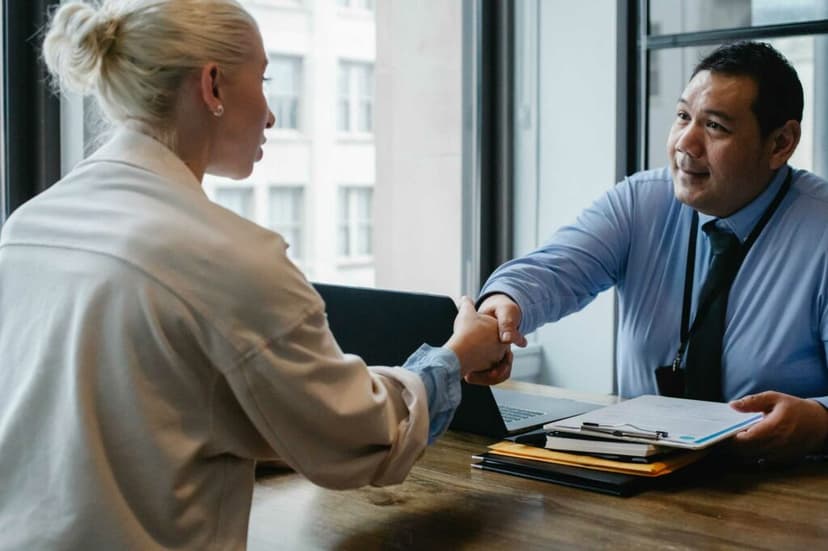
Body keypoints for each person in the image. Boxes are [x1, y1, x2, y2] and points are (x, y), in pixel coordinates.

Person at [0, 1, 511, 549]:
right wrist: (457, 357)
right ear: (213, 86)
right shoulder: (229, 257)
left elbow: (135, 420)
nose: (271, 114)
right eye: (264, 80)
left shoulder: (26, 227)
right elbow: (360, 437)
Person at [478, 41, 828, 462]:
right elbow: (553, 271)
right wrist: (503, 306)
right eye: (683, 117)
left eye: (715, 126)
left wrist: (820, 420)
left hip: (785, 493)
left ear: (780, 143)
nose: (686, 144)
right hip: (645, 481)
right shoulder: (641, 201)